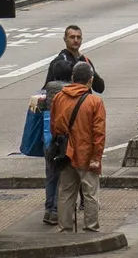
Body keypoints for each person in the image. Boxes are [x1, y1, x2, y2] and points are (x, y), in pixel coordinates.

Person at [41, 25, 105, 225]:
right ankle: (53, 211)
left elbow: (100, 86)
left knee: (70, 183)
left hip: (80, 130)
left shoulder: (85, 60)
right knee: (61, 177)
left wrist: (92, 72)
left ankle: (68, 220)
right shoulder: (58, 63)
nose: (75, 40)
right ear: (65, 39)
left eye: (78, 37)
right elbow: (49, 97)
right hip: (66, 134)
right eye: (72, 37)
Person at [51, 60, 106, 232]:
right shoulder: (95, 102)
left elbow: (54, 126)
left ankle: (65, 228)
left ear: (73, 78)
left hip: (65, 154)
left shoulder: (59, 97)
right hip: (87, 154)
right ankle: (90, 228)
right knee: (90, 194)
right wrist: (96, 157)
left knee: (66, 192)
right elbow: (99, 133)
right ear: (90, 80)